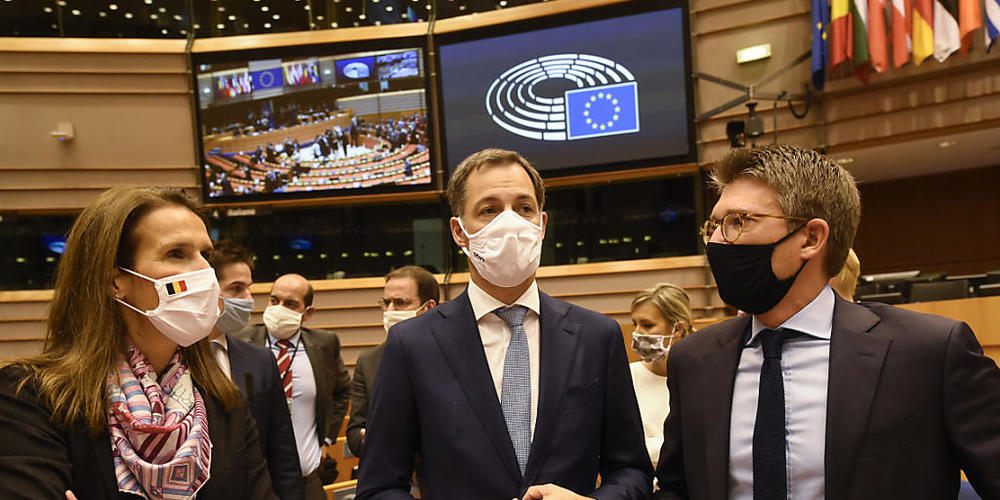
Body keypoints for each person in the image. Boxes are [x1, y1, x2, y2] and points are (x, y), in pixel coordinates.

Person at [654, 144, 1000, 499]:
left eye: (738, 222)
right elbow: (676, 489)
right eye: (713, 226)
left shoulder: (929, 352)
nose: (715, 241)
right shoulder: (694, 359)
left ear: (811, 238)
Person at [356, 148, 652, 499]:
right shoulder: (412, 345)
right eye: (489, 210)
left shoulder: (596, 336)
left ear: (542, 225)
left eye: (524, 208)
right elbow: (379, 488)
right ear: (459, 231)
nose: (510, 223)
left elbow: (632, 471)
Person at [0, 187, 276, 499]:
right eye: (177, 254)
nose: (205, 271)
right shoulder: (29, 400)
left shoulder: (225, 402)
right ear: (115, 281)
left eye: (206, 255)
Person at [235, 274, 352, 500]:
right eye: (274, 300)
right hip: (254, 484)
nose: (279, 308)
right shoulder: (239, 342)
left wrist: (326, 440)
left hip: (307, 480)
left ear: (307, 313)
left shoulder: (325, 344)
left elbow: (342, 391)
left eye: (290, 304)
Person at [208, 241, 304, 500]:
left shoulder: (260, 360)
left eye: (248, 288)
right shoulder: (172, 358)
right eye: (236, 289)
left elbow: (282, 452)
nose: (248, 299)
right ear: (207, 290)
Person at [347, 265, 440, 459]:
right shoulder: (368, 361)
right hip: (391, 471)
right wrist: (373, 440)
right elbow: (355, 436)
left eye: (400, 303)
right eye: (386, 302)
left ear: (429, 307)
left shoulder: (451, 355)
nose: (390, 311)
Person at [628, 283, 693, 468]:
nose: (637, 333)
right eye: (635, 324)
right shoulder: (627, 377)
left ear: (677, 329)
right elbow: (624, 446)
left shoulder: (702, 379)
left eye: (647, 325)